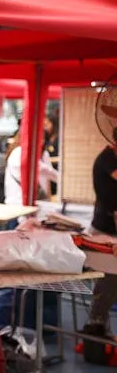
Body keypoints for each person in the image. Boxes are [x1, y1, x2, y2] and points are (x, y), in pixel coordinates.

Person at [83, 127, 117, 354]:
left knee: (111, 283)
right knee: (108, 282)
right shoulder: (107, 159)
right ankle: (95, 328)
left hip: (109, 230)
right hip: (105, 233)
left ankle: (99, 327)